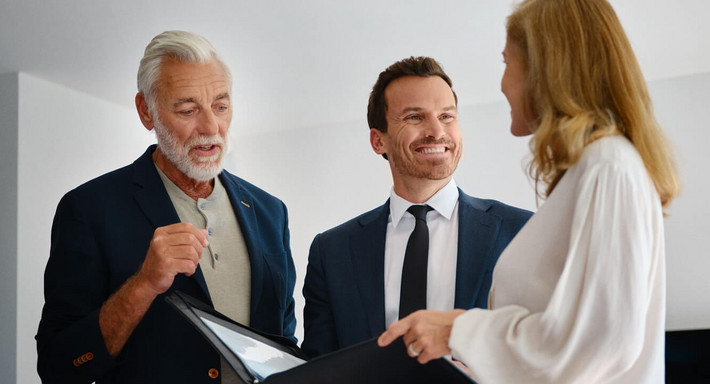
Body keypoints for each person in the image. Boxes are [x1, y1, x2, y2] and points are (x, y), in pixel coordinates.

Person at [378, 0, 681, 383]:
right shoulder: (588, 172)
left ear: (545, 68)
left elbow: (603, 341)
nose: (502, 83)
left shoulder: (609, 166)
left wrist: (458, 330)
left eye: (507, 63)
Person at [35, 30, 297, 384]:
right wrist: (144, 284)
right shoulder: (89, 209)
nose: (210, 127)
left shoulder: (270, 212)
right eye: (188, 109)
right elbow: (57, 365)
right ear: (147, 111)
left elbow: (284, 342)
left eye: (220, 106)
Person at [301, 56, 532, 358]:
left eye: (447, 116)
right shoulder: (332, 251)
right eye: (414, 117)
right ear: (378, 141)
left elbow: (552, 348)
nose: (437, 131)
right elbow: (318, 369)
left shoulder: (522, 232)